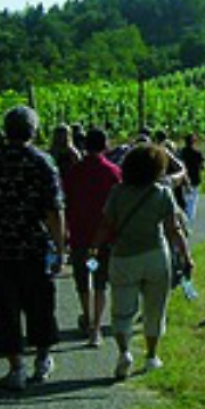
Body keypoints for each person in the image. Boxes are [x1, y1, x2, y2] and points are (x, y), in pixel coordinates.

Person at [0, 106, 65, 391]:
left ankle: (16, 367)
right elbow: (53, 209)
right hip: (35, 244)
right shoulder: (42, 161)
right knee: (40, 304)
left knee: (4, 308)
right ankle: (43, 359)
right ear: (33, 131)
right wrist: (61, 247)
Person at [94, 143, 192, 381]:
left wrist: (93, 248)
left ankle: (124, 353)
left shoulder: (118, 192)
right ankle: (151, 356)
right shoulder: (161, 193)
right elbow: (173, 230)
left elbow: (106, 225)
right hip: (155, 255)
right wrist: (187, 256)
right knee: (155, 309)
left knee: (122, 309)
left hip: (124, 256)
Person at [63, 127, 121, 348]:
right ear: (105, 145)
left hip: (80, 236)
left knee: (82, 279)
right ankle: (96, 327)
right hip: (103, 239)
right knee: (99, 281)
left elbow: (66, 202)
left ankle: (86, 316)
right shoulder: (113, 172)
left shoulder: (74, 172)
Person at [177, 132, 205, 226]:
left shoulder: (181, 153)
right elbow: (203, 166)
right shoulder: (198, 153)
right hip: (195, 179)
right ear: (194, 142)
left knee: (184, 199)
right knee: (192, 201)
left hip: (183, 179)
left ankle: (183, 217)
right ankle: (188, 220)